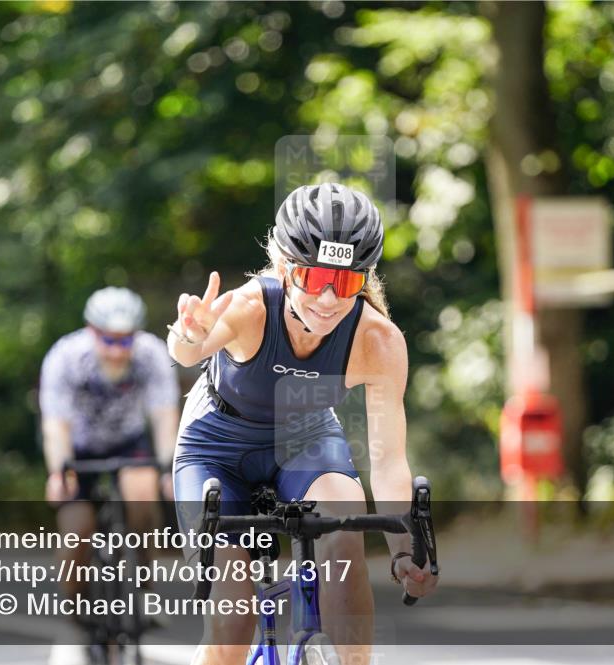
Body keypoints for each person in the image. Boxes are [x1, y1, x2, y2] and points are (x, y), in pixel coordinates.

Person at [167, 183, 439, 665]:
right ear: (285, 267)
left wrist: (403, 551)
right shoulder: (250, 308)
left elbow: (388, 458)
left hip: (306, 440)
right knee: (233, 619)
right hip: (216, 448)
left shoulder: (377, 340)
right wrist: (188, 335)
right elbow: (188, 352)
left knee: (344, 526)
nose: (330, 300)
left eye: (348, 282)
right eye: (314, 279)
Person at [40, 287, 179, 665]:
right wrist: (59, 471)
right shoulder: (66, 357)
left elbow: (165, 417)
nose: (118, 349)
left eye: (125, 339)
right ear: (91, 330)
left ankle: (143, 585)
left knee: (142, 496)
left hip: (128, 443)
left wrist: (169, 468)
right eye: (108, 339)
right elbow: (55, 424)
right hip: (79, 447)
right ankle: (75, 609)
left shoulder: (151, 354)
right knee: (76, 529)